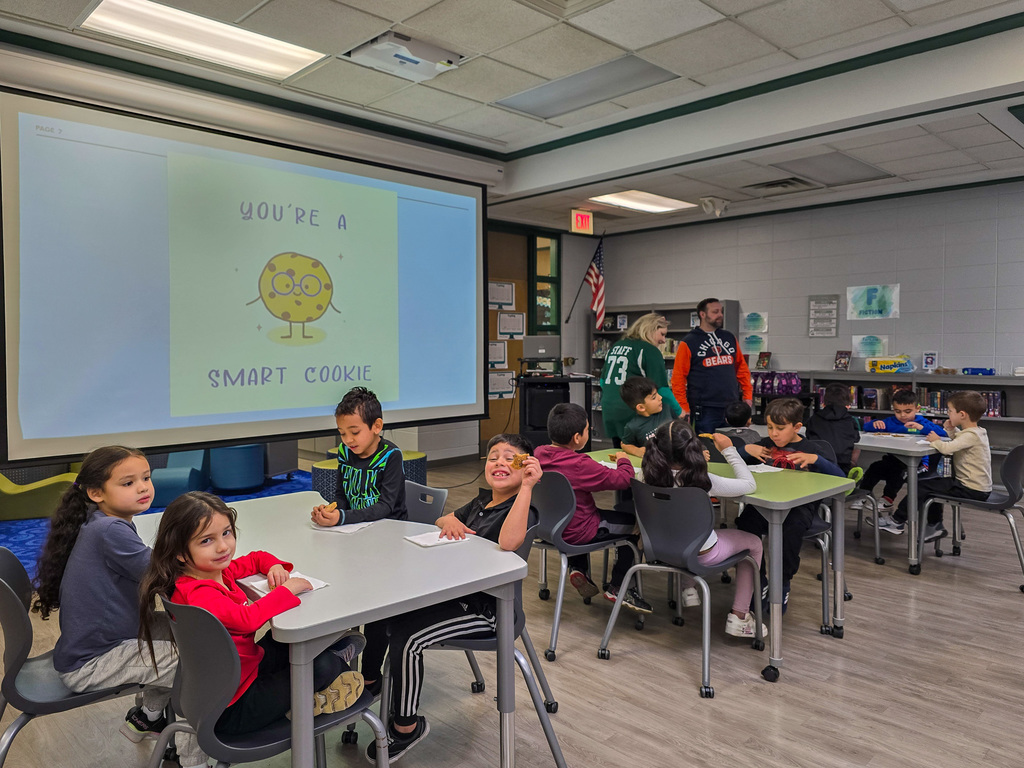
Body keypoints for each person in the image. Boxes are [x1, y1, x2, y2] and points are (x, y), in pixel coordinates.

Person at [360, 434, 540, 763]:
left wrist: (526, 488)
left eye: (509, 458)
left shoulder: (522, 508)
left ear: (525, 466)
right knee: (382, 610)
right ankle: (369, 682)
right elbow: (442, 519)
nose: (499, 462)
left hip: (487, 610)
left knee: (409, 638)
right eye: (493, 457)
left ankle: (405, 726)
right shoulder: (480, 502)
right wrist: (450, 520)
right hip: (453, 593)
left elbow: (510, 541)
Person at [31, 446, 207, 768]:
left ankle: (148, 717)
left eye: (146, 478)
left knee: (191, 633)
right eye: (128, 483)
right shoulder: (111, 530)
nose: (143, 487)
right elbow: (160, 577)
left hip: (101, 641)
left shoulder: (104, 522)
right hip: (92, 661)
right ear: (96, 492)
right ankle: (193, 761)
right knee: (200, 665)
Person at [138, 492, 365, 736]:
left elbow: (256, 558)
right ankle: (326, 673)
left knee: (288, 644)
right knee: (321, 665)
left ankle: (325, 668)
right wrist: (287, 590)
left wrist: (274, 566)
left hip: (241, 672)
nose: (223, 546)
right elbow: (247, 620)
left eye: (226, 532)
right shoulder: (199, 592)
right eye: (206, 541)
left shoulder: (210, 571)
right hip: (233, 708)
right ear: (180, 553)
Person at [641, 420, 766, 637]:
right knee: (754, 543)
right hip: (702, 555)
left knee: (684, 530)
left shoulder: (645, 476)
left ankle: (688, 589)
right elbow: (749, 485)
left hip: (660, 550)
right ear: (693, 447)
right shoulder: (702, 480)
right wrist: (729, 449)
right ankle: (739, 616)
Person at [534, 403, 650, 613]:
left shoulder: (539, 454)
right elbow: (623, 479)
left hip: (547, 527)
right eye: (588, 430)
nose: (589, 432)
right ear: (577, 438)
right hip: (580, 531)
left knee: (574, 513)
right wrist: (624, 460)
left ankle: (578, 568)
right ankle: (619, 586)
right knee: (637, 526)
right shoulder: (579, 463)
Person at [736, 398, 845, 612]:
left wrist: (815, 459)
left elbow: (842, 479)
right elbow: (731, 464)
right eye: (769, 427)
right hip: (765, 505)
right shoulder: (765, 446)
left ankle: (783, 582)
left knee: (791, 529)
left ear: (796, 427)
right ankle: (759, 580)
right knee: (745, 522)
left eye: (780, 428)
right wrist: (746, 450)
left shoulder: (810, 448)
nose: (774, 433)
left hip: (800, 508)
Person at [893, 390, 991, 542]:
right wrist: (952, 430)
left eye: (950, 411)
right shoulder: (977, 432)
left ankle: (898, 520)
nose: (948, 414)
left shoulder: (970, 435)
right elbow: (958, 442)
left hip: (970, 489)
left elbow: (947, 448)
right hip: (975, 487)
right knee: (930, 485)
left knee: (922, 486)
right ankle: (934, 525)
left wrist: (935, 440)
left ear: (962, 415)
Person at [310, 386, 407, 526]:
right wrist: (330, 511)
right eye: (342, 433)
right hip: (356, 526)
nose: (348, 440)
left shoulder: (391, 455)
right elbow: (341, 495)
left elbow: (385, 506)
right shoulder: (345, 451)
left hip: (389, 527)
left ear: (377, 426)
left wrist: (343, 517)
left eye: (355, 432)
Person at [859, 389, 947, 533]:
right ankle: (863, 495)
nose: (903, 416)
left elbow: (943, 434)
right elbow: (866, 427)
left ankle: (888, 499)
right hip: (896, 460)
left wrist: (922, 428)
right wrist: (874, 424)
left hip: (919, 464)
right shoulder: (892, 421)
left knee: (900, 472)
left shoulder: (922, 422)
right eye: (898, 411)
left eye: (907, 411)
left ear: (917, 409)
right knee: (876, 467)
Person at [671, 298, 753, 433]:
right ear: (702, 314)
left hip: (732, 405)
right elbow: (678, 378)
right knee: (708, 448)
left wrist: (747, 396)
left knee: (733, 446)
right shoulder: (689, 341)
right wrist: (683, 407)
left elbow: (741, 368)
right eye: (715, 312)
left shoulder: (729, 337)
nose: (720, 315)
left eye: (721, 311)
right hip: (705, 408)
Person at [598, 312, 682, 445]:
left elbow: (602, 382)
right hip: (634, 411)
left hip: (610, 409)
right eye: (662, 334)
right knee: (646, 455)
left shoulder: (617, 345)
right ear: (649, 330)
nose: (663, 341)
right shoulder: (649, 350)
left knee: (620, 451)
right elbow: (661, 389)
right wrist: (679, 412)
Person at [806, 383, 860, 473]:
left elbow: (809, 436)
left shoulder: (814, 418)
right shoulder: (849, 420)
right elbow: (856, 438)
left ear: (824, 401)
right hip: (842, 468)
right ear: (847, 403)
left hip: (818, 466)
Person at [620, 376, 673, 458]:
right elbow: (625, 445)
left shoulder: (667, 408)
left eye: (657, 393)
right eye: (654, 397)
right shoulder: (632, 426)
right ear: (641, 407)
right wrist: (637, 451)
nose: (660, 397)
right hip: (655, 463)